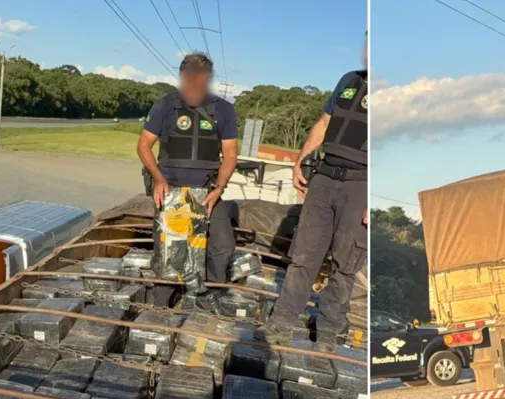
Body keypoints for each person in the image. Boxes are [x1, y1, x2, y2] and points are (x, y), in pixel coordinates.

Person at [257, 37, 368, 352]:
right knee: (304, 256)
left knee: (346, 264)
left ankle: (329, 331)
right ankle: (281, 323)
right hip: (324, 177)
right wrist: (299, 160)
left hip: (361, 186)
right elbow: (323, 123)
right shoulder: (348, 80)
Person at [137, 52, 239, 310]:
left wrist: (219, 189)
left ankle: (210, 297)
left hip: (207, 192)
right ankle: (161, 307)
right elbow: (144, 146)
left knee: (223, 245)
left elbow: (230, 155)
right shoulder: (165, 105)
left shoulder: (224, 111)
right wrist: (157, 178)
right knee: (170, 252)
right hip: (170, 190)